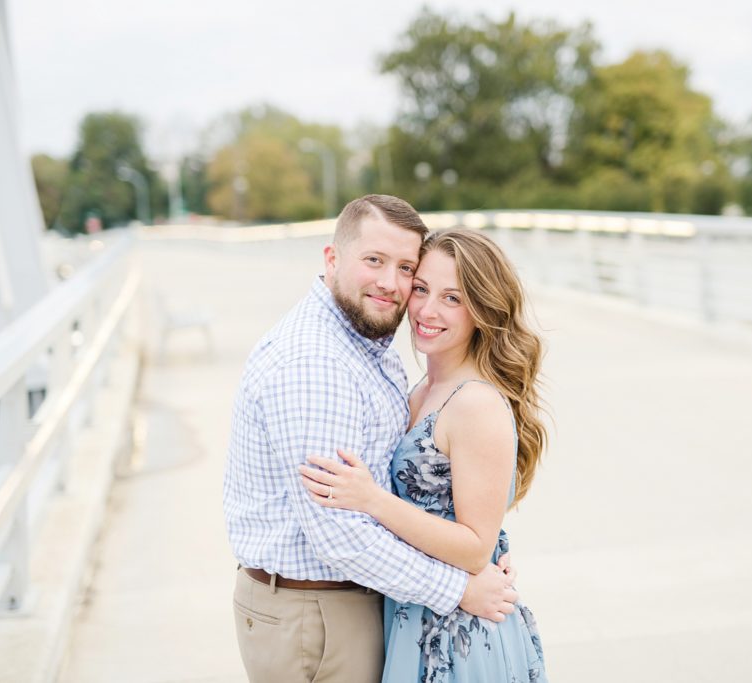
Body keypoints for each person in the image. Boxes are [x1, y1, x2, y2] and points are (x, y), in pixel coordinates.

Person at [223, 196, 518, 683]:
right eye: (374, 260)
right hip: (318, 613)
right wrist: (460, 587)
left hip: (383, 605)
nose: (392, 284)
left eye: (406, 269)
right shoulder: (316, 363)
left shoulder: (372, 351)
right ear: (332, 258)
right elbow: (340, 536)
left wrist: (483, 550)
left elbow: (453, 510)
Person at [300, 228, 549, 682]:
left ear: (482, 310)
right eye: (421, 289)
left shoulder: (475, 403)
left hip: (459, 634)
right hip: (415, 612)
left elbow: (475, 548)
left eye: (452, 298)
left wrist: (373, 500)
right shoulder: (421, 390)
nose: (427, 311)